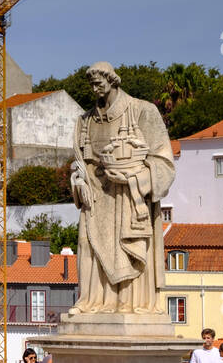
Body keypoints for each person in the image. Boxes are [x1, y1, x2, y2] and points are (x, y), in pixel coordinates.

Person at [68, 61, 175, 314]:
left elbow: (164, 161)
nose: (94, 89)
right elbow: (79, 163)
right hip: (94, 197)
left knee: (126, 248)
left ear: (112, 81)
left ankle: (128, 303)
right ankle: (91, 301)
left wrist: (134, 177)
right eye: (91, 84)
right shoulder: (84, 121)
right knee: (86, 244)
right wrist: (78, 180)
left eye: (99, 83)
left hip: (128, 196)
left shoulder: (141, 111)